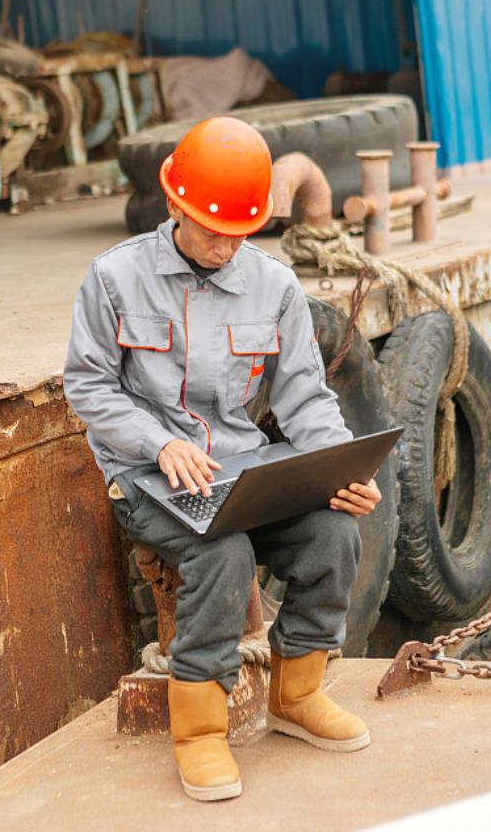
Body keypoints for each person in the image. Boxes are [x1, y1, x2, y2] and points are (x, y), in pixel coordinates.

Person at [64, 116, 382, 802]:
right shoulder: (115, 278)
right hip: (145, 479)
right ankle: (199, 731)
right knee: (224, 552)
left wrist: (340, 470)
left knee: (332, 533)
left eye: (239, 232)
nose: (224, 246)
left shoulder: (273, 285)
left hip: (240, 470)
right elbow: (86, 385)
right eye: (211, 229)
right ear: (173, 203)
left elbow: (304, 395)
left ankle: (297, 695)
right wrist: (160, 442)